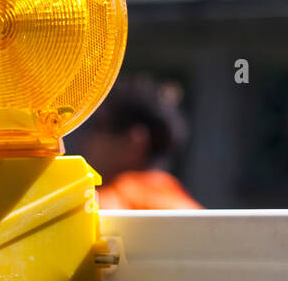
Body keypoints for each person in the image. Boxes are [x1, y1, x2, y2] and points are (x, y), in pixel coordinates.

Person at [69, 75, 201, 211]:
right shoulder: (183, 202)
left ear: (134, 141)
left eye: (96, 126)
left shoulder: (103, 203)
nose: (82, 137)